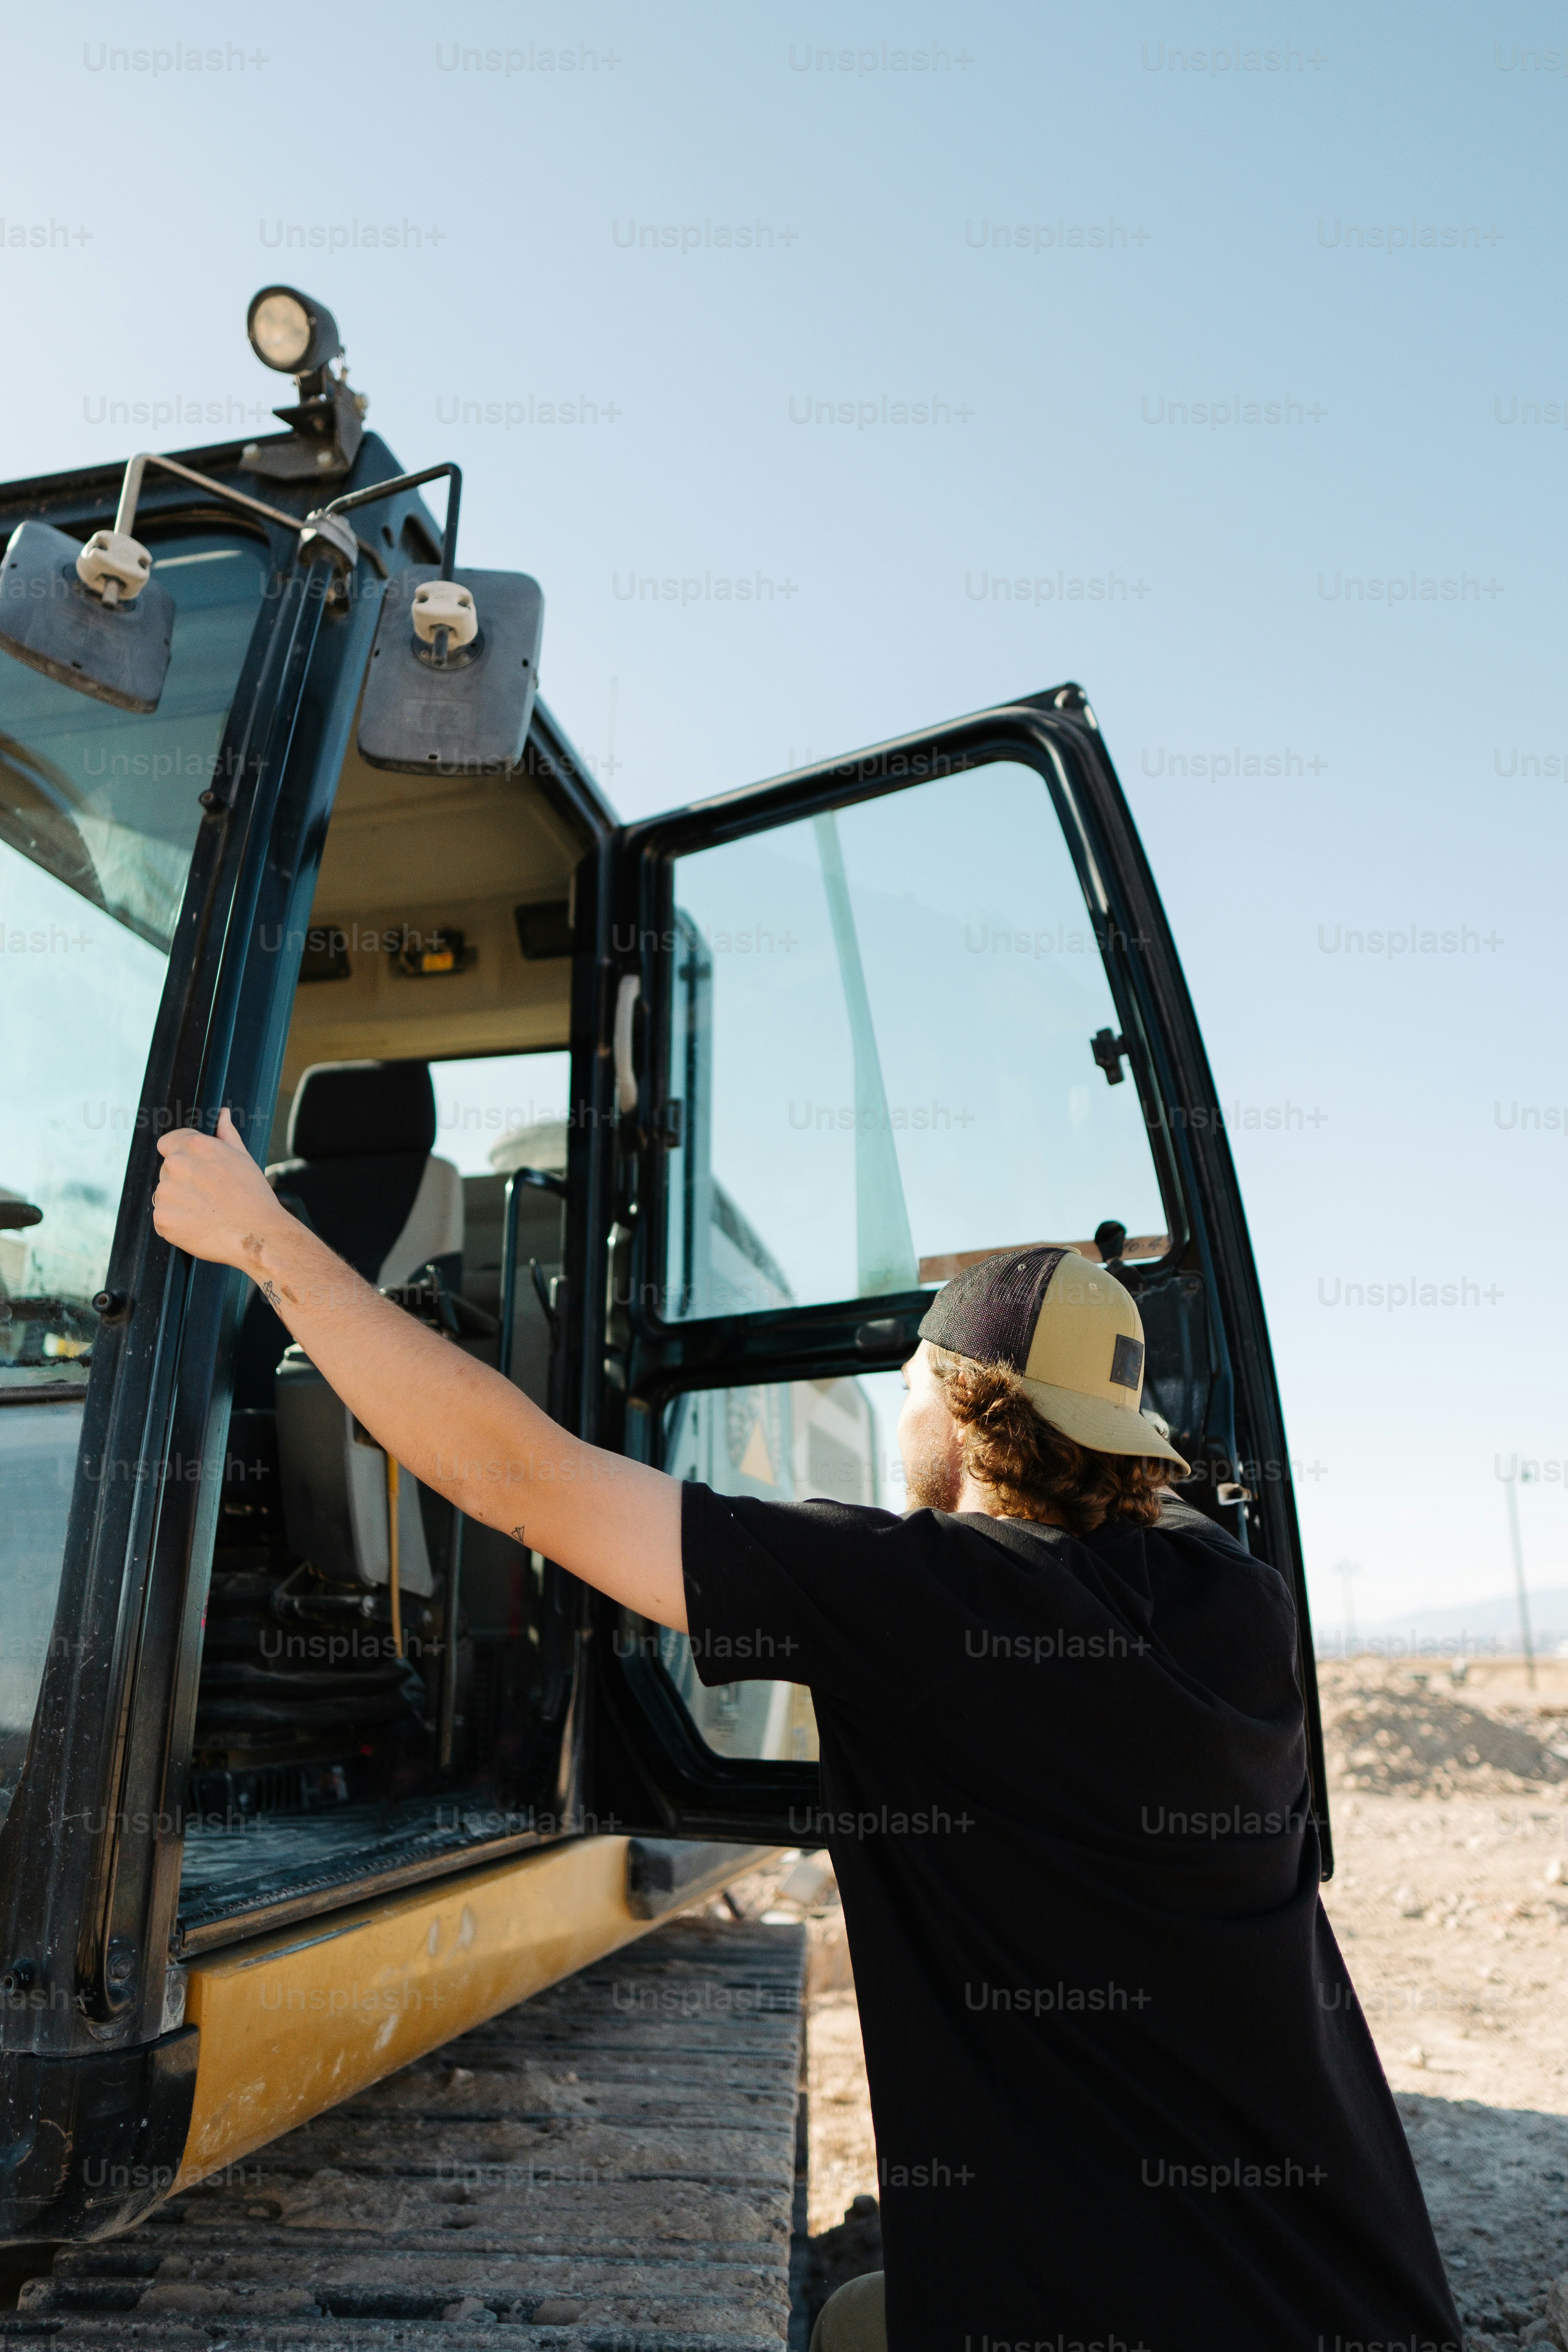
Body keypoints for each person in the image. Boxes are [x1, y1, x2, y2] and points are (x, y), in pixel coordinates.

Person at [152, 1114, 1462, 2352]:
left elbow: (519, 1478)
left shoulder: (927, 1606)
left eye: (904, 1381)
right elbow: (1147, 1506)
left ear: (957, 1404)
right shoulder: (1234, 1600)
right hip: (1354, 2300)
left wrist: (265, 1238)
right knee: (853, 2320)